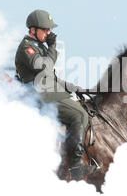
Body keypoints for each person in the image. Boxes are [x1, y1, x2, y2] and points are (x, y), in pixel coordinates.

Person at [15, 10, 96, 181]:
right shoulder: (26, 48)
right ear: (32, 30)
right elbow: (44, 68)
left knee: (86, 110)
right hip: (38, 97)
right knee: (79, 114)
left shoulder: (40, 48)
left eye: (49, 30)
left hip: (49, 92)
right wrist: (52, 48)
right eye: (45, 30)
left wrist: (76, 88)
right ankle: (75, 166)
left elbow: (52, 78)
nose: (49, 33)